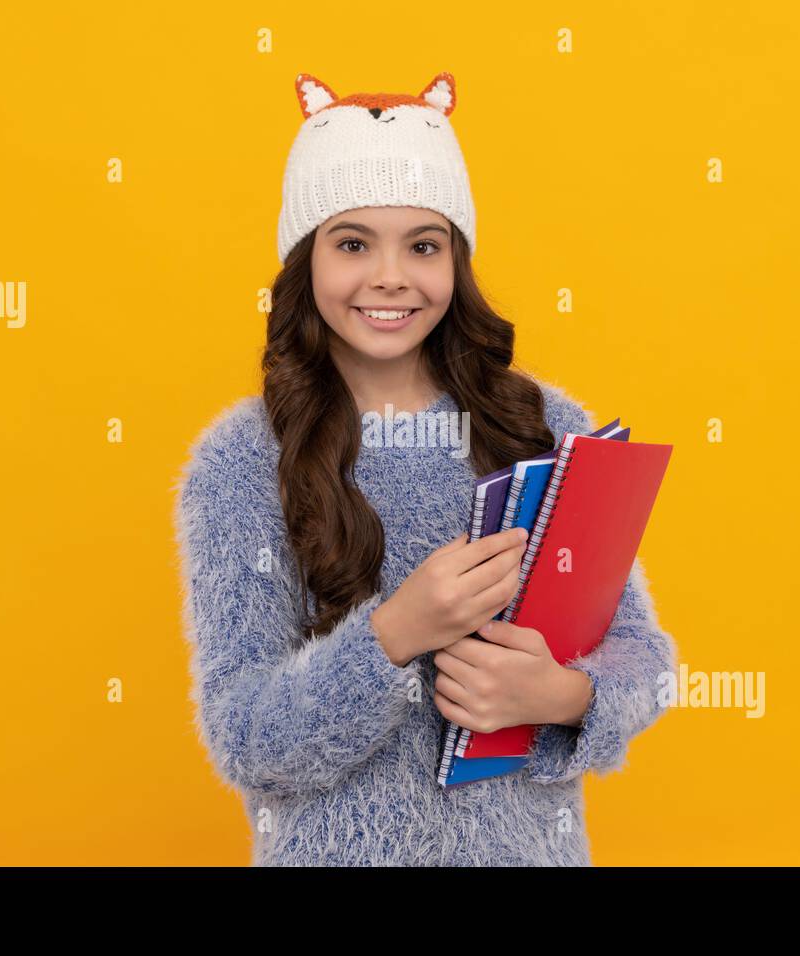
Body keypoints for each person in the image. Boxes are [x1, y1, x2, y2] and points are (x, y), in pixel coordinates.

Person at [173, 71, 677, 865]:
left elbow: (644, 660)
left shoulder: (542, 428)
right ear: (305, 261)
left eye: (423, 244)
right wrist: (393, 636)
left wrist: (564, 695)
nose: (390, 276)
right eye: (352, 243)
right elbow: (243, 739)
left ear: (456, 262)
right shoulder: (241, 463)